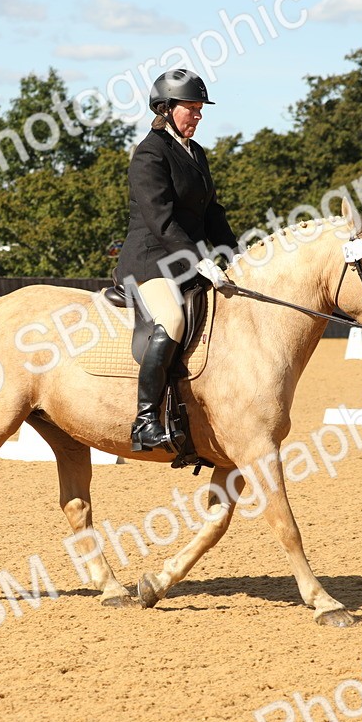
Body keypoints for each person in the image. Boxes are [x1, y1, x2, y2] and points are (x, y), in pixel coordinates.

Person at [113, 69, 238, 452]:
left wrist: (235, 255)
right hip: (151, 261)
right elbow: (161, 219)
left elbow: (211, 212)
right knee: (173, 318)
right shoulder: (149, 154)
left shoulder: (195, 152)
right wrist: (199, 258)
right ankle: (146, 420)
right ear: (165, 109)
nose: (197, 117)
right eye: (191, 109)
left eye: (201, 110)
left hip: (187, 260)